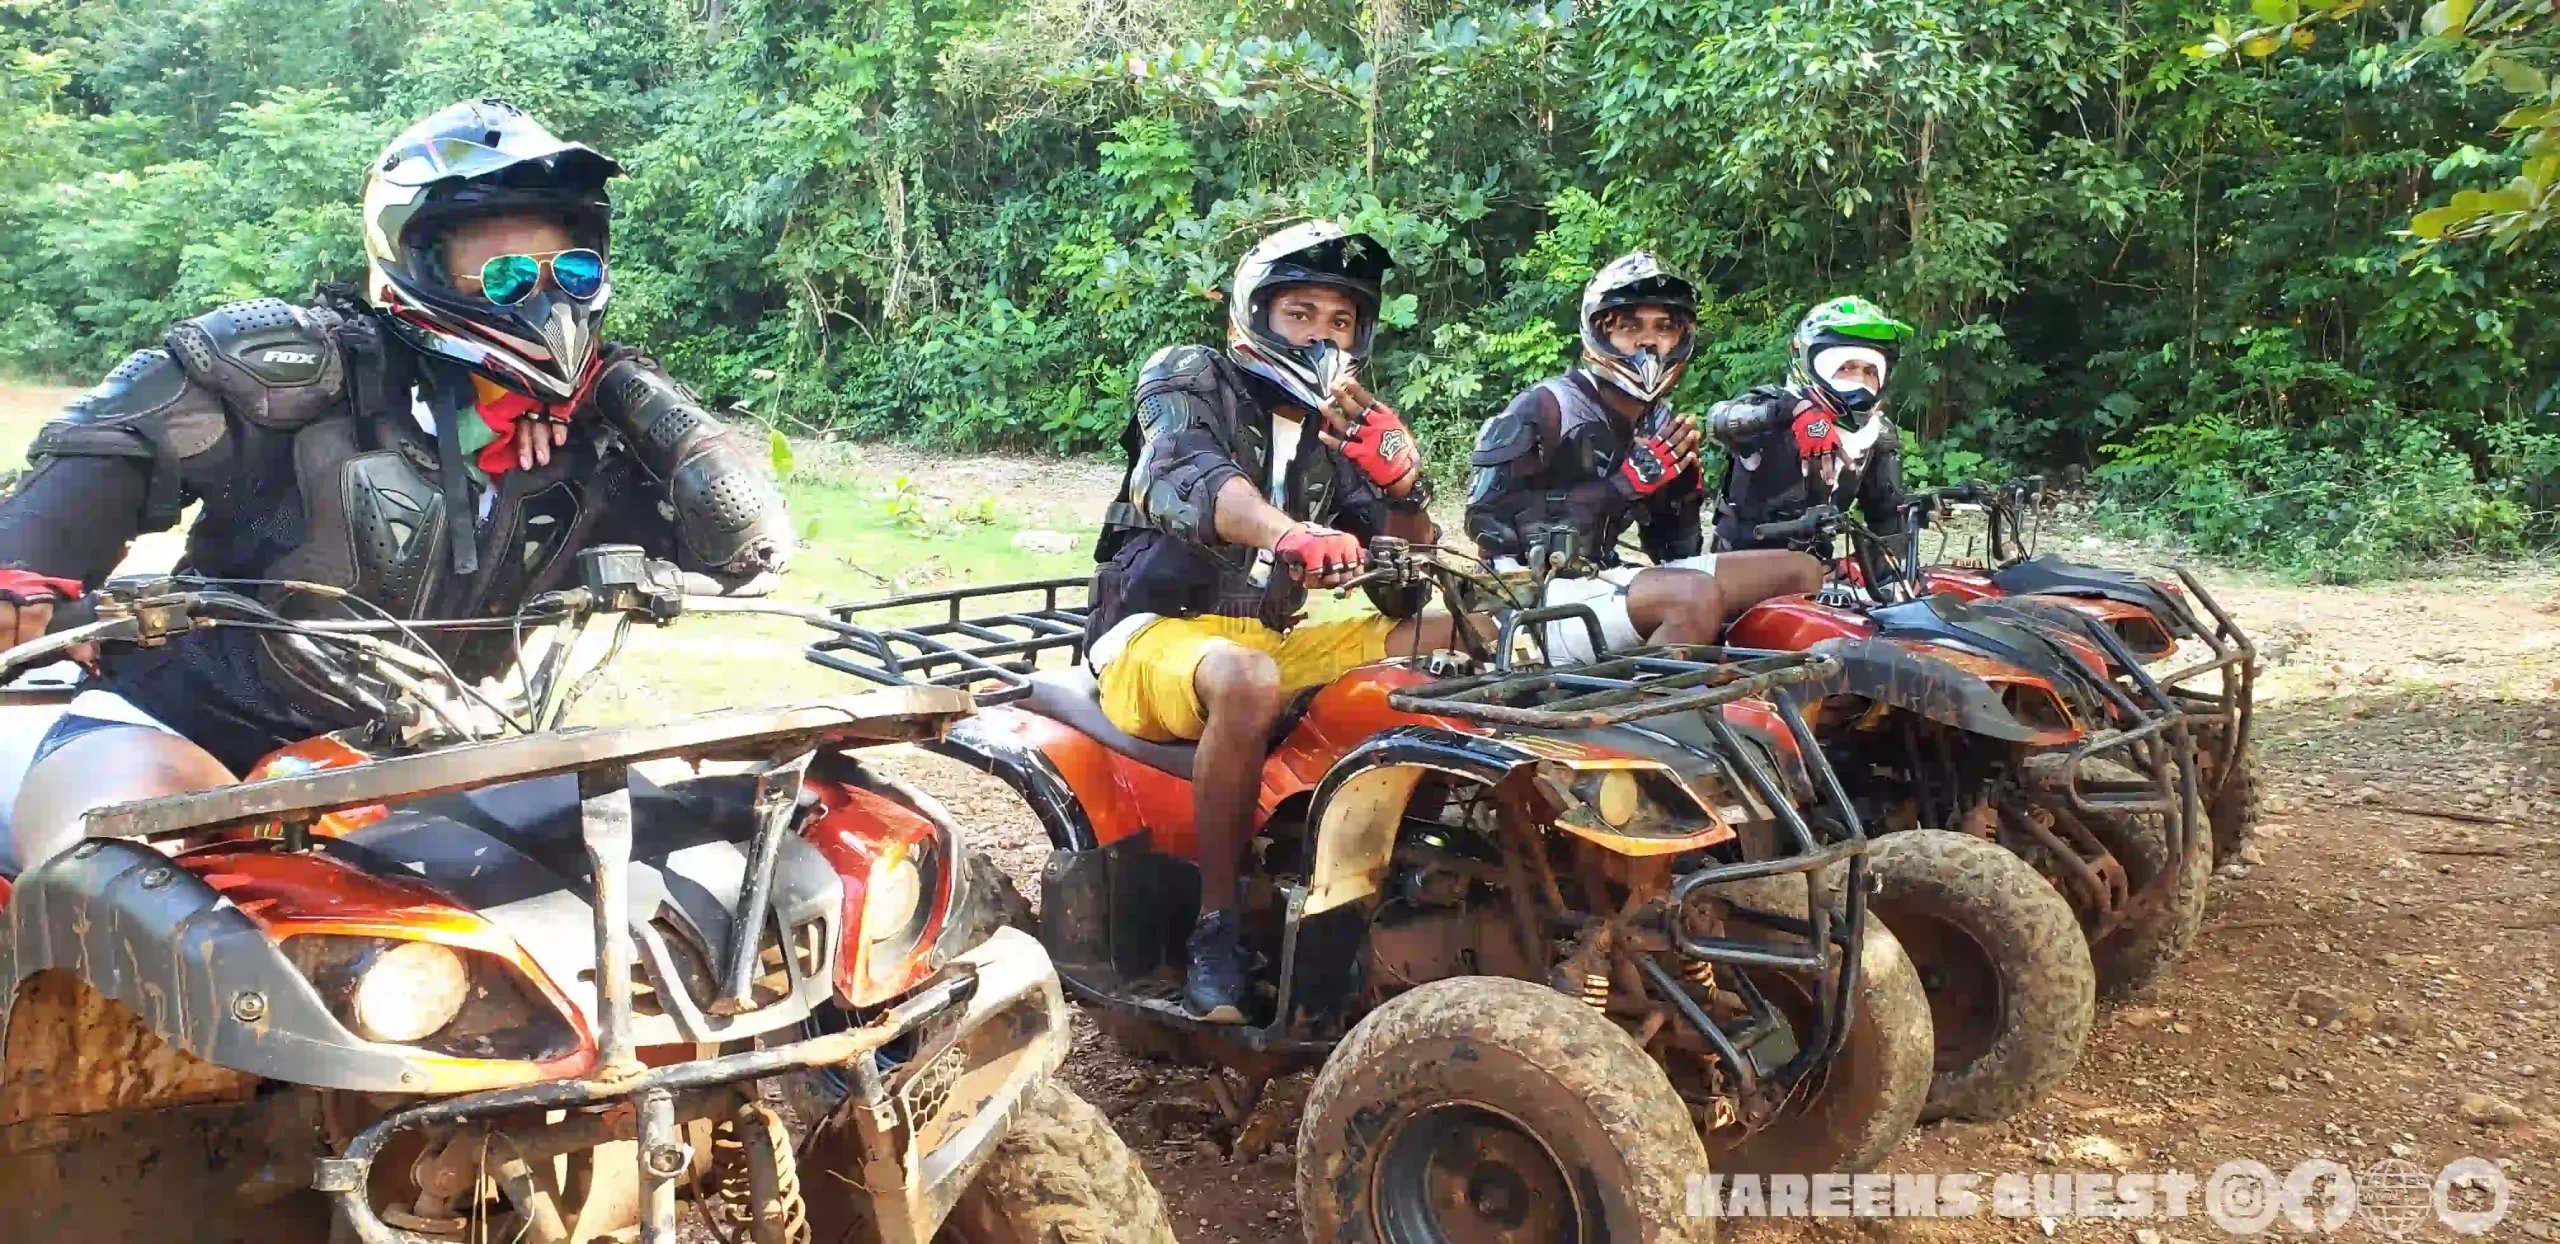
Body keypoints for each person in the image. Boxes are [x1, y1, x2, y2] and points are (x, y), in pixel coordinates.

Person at [0, 98, 792, 874]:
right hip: (178, 736)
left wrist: (640, 396)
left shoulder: (585, 445)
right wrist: (26, 573)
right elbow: (112, 450)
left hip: (420, 762)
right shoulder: (297, 374)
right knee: (113, 884)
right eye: (506, 274)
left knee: (654, 881)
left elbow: (743, 548)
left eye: (571, 269)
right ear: (417, 263)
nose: (545, 302)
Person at [1087, 220, 1478, 1021]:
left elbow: (1401, 589)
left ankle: (1415, 857)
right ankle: (1216, 927)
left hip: (1273, 631)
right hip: (1154, 628)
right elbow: (1181, 479)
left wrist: (1405, 492)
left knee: (1461, 636)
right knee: (1247, 677)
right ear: (1255, 316)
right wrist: (1288, 532)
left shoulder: (1346, 427)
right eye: (1300, 315)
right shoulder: (1189, 375)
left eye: (1340, 322)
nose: (1322, 337)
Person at [1465, 252, 1823, 660]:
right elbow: (1485, 522)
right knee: (1693, 595)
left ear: (1681, 337)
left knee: (1801, 571)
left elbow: (1674, 555)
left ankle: (1748, 687)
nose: (1648, 341)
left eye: (1664, 327)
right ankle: (1640, 701)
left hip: (1610, 578)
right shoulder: (1546, 407)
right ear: (1599, 332)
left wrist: (1680, 496)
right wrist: (1622, 486)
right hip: (1529, 603)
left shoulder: (1659, 421)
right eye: (1630, 327)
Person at [1703, 296, 1916, 556]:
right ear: (1809, 363)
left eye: (1871, 371)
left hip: (1814, 575)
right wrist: (1795, 412)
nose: (1859, 381)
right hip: (1738, 569)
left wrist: (1877, 570)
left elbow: (1888, 519)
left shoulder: (1876, 435)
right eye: (1846, 367)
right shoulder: (1771, 408)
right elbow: (1717, 420)